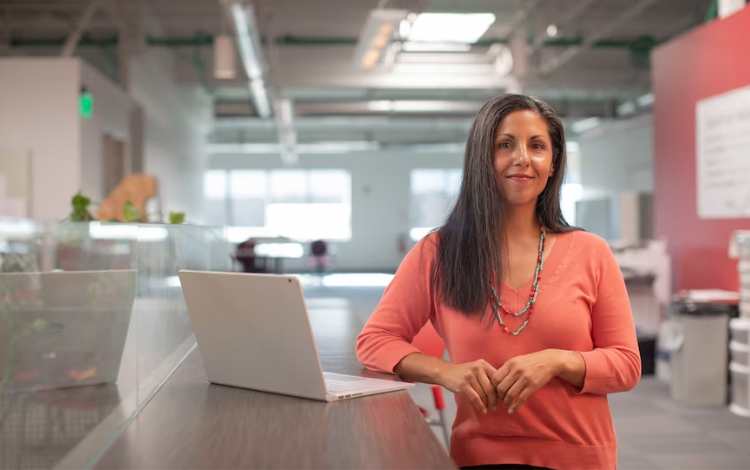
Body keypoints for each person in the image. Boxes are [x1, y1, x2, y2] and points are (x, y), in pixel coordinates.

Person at [356, 94, 641, 470]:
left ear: (553, 163)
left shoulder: (591, 252)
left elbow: (626, 364)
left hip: (578, 457)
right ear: (482, 160)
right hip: (479, 456)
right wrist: (445, 372)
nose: (522, 158)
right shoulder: (438, 252)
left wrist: (558, 361)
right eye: (505, 145)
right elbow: (374, 342)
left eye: (537, 146)